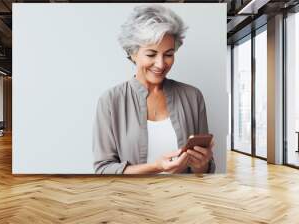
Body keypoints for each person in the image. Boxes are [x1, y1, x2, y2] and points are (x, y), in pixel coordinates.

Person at [92, 5, 215, 174]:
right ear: (132, 53)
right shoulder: (111, 101)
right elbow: (103, 170)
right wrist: (155, 167)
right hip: (132, 199)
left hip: (184, 197)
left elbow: (204, 172)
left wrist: (201, 164)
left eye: (169, 54)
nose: (161, 64)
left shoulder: (193, 97)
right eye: (151, 54)